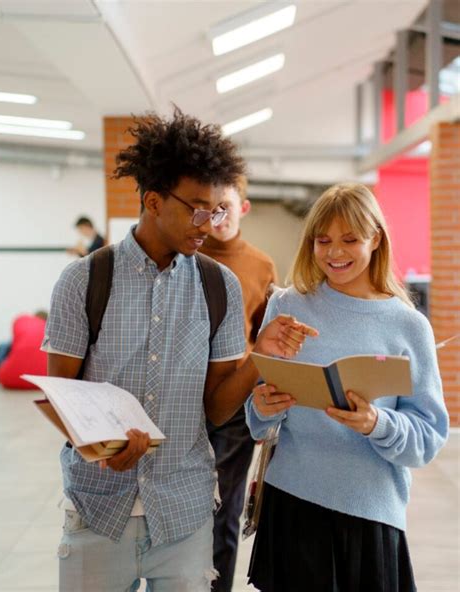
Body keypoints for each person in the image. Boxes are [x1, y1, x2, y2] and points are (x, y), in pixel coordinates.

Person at [42, 108, 310, 592]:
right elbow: (59, 395)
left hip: (184, 513)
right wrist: (100, 448)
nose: (210, 222)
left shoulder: (219, 286)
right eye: (197, 208)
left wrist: (258, 358)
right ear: (153, 201)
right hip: (97, 509)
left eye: (219, 210)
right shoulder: (84, 280)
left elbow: (216, 406)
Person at [245, 183, 449, 592]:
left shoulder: (408, 326)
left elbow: (427, 438)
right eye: (324, 241)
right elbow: (257, 424)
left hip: (370, 511)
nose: (335, 252)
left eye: (350, 239)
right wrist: (264, 405)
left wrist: (377, 423)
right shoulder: (287, 306)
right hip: (292, 501)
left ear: (376, 239)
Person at [199, 175, 278, 592]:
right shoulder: (184, 257)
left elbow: (266, 340)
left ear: (243, 208)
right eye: (209, 208)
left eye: (225, 207)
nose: (217, 217)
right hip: (185, 400)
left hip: (236, 405)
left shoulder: (261, 264)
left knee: (224, 512)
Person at [0, 311, 48, 389]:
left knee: (3, 345)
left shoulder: (27, 325)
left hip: (12, 370)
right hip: (41, 374)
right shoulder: (46, 330)